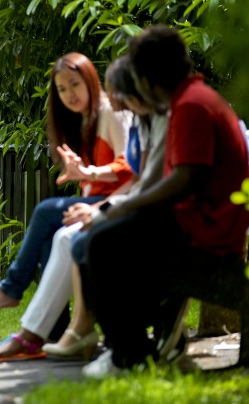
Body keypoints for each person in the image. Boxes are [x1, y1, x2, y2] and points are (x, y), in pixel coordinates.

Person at [79, 25, 249, 379]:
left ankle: (128, 356)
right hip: (195, 222)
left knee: (100, 246)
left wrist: (123, 207)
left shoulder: (191, 106)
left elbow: (184, 179)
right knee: (97, 243)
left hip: (205, 232)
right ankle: (137, 349)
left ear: (148, 78)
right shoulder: (193, 99)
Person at [0, 55, 158, 362]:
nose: (69, 94)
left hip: (123, 203)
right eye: (62, 90)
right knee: (55, 234)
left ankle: (15, 294)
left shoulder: (111, 113)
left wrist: (88, 175)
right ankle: (54, 331)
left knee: (48, 211)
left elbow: (131, 167)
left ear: (91, 80)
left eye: (74, 84)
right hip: (111, 202)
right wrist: (84, 174)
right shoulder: (88, 117)